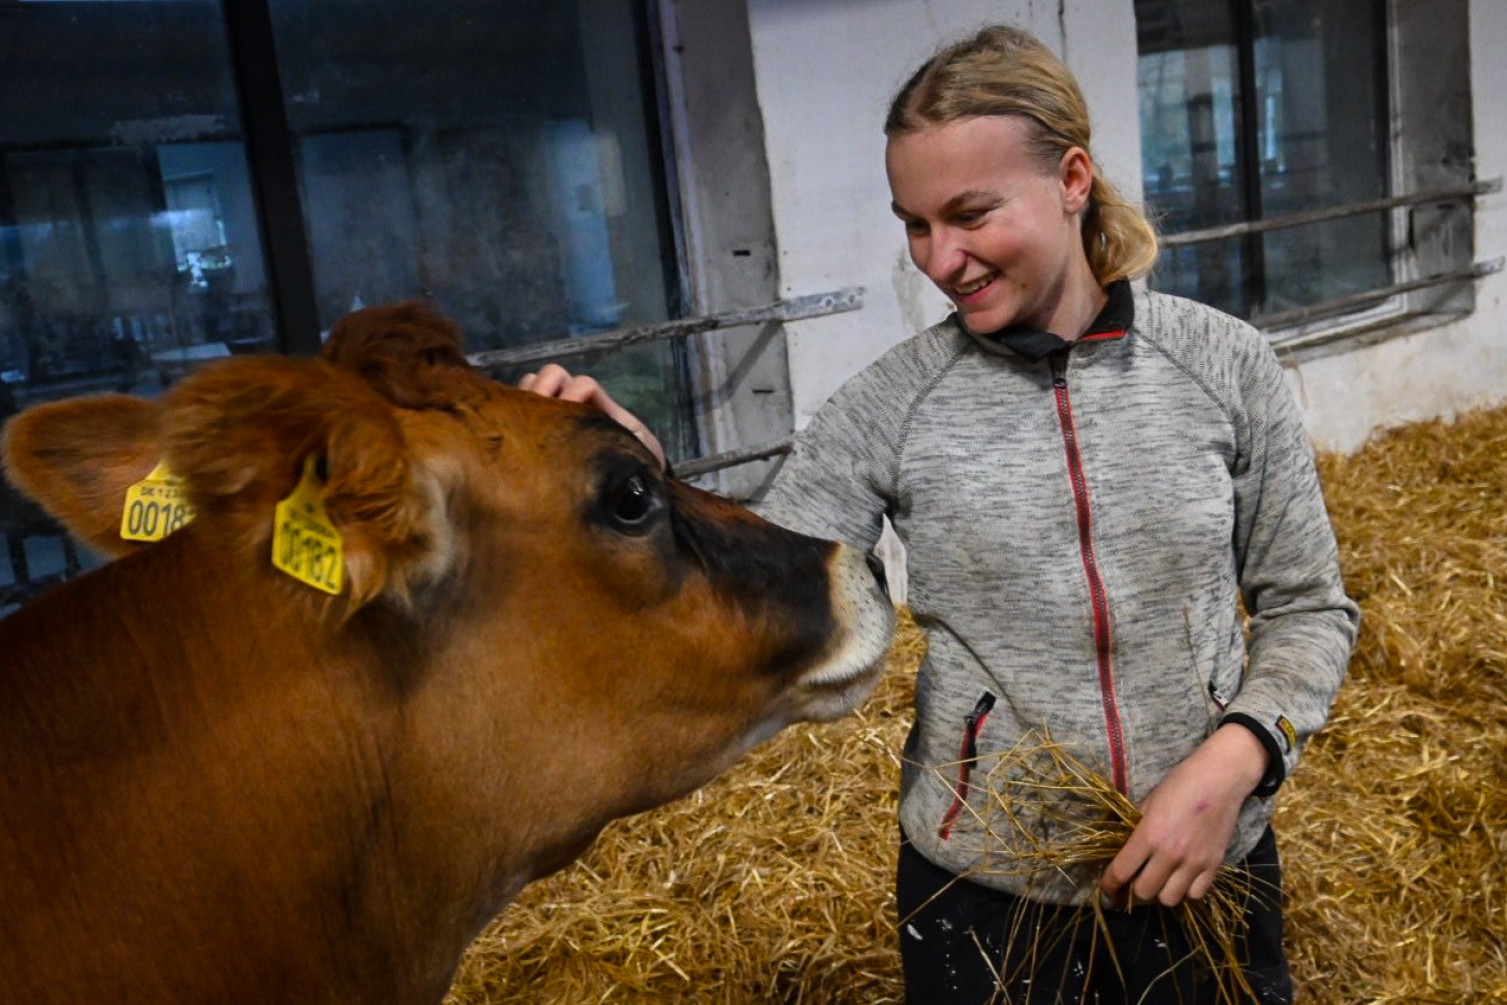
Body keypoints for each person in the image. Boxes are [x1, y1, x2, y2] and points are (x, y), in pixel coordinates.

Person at [521, 24, 1358, 1005]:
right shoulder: (889, 406)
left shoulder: (1222, 366)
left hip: (1207, 869)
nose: (940, 259)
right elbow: (767, 575)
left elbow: (1309, 611)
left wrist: (1238, 759)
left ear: (1073, 178)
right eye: (914, 224)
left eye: (969, 213)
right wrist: (637, 478)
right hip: (984, 898)